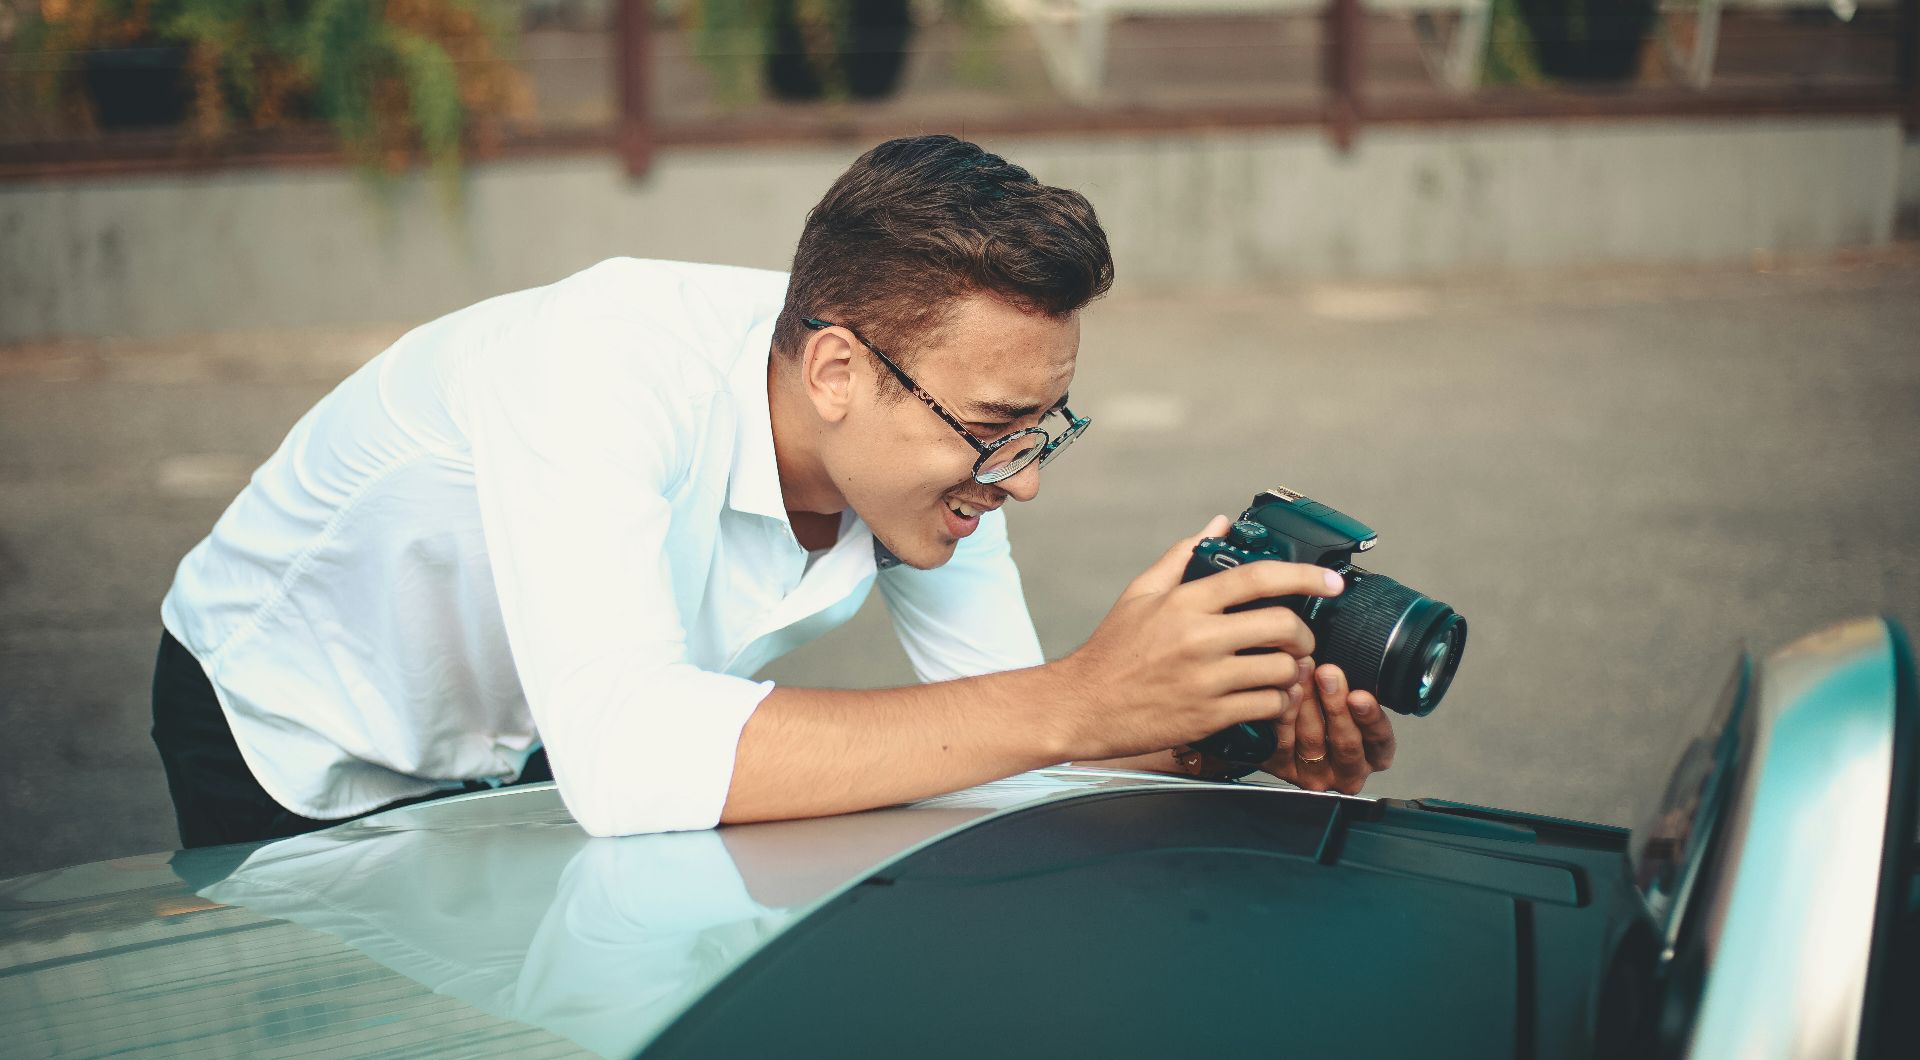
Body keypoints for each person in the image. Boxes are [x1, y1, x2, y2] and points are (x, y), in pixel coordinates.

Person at [151, 134, 1397, 848]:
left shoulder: (930, 443)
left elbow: (1006, 743)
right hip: (300, 725)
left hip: (542, 741)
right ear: (838, 371)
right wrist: (1081, 698)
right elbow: (630, 761)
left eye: (1042, 430)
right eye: (994, 431)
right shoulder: (591, 368)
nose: (1019, 480)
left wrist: (1203, 736)